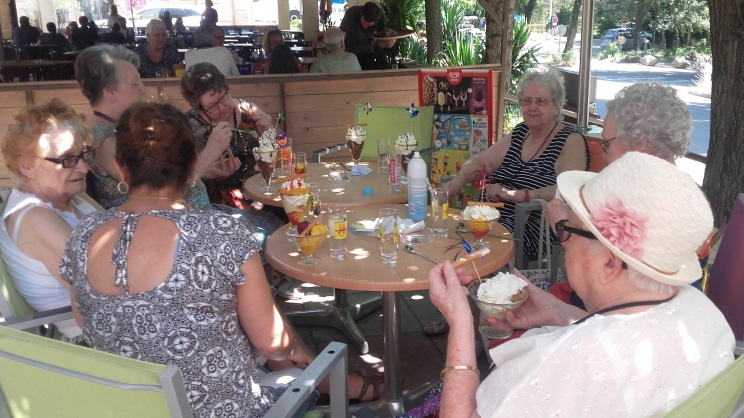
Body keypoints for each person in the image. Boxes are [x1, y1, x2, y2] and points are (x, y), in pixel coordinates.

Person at [60, 101, 384, 418]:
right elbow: (273, 344)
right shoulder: (219, 233)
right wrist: (304, 358)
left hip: (128, 408)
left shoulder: (84, 234)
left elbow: (83, 321)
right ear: (191, 166)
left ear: (120, 166)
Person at [428, 151, 734, 417]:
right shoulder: (706, 314)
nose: (564, 243)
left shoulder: (564, 363)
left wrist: (461, 323)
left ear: (610, 264)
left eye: (567, 231)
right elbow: (628, 333)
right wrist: (563, 313)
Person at [426, 69, 588, 337]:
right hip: (496, 215)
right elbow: (481, 161)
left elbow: (565, 190)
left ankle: (479, 315)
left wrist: (518, 195)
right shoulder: (521, 132)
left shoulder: (569, 139)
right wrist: (454, 185)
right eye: (526, 101)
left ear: (557, 105)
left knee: (480, 243)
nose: (532, 107)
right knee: (454, 234)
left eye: (541, 101)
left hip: (535, 220)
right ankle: (459, 308)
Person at [544, 82, 695, 307]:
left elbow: (609, 276)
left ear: (642, 142)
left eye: (606, 145)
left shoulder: (643, 197)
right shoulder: (689, 194)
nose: (604, 157)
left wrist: (563, 227)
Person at [0, 99, 97, 341]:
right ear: (27, 166)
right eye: (67, 159)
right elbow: (98, 289)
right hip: (96, 340)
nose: (84, 168)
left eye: (84, 154)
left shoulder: (72, 197)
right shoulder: (36, 218)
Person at [339, 1, 391, 70]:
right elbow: (342, 34)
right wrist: (339, 51)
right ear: (361, 13)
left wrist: (387, 44)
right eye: (364, 23)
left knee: (367, 76)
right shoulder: (351, 13)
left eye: (368, 25)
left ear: (377, 19)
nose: (365, 27)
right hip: (349, 51)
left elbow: (380, 41)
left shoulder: (381, 17)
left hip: (367, 52)